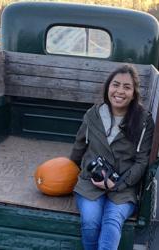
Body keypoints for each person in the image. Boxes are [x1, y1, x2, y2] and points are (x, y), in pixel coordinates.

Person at [70, 64, 154, 250]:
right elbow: (79, 146)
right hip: (90, 184)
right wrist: (72, 171)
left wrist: (119, 184)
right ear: (108, 87)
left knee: (111, 222)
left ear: (134, 93)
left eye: (127, 87)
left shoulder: (144, 121)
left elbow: (142, 161)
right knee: (91, 222)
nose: (120, 91)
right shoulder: (93, 114)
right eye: (116, 85)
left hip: (124, 188)